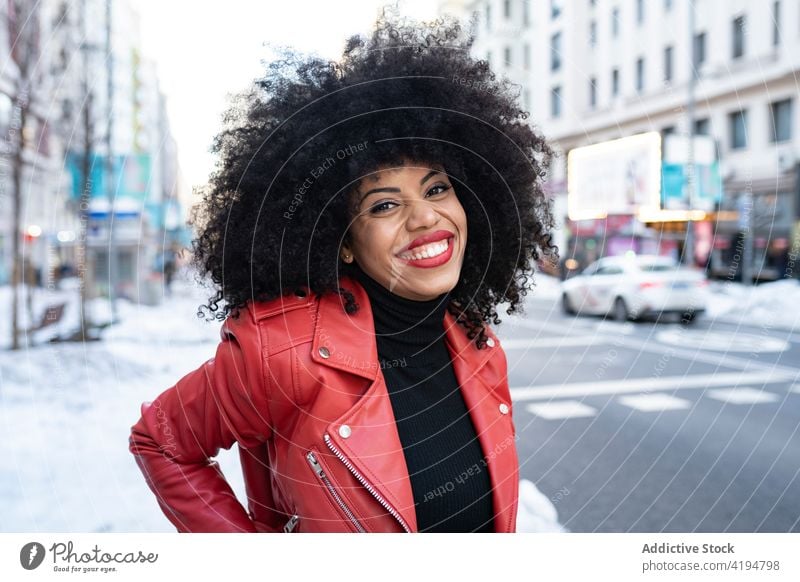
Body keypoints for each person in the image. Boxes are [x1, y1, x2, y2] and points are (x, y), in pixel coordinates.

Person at [128, 9, 556, 533]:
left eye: (437, 188)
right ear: (343, 242)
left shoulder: (477, 346)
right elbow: (161, 441)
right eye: (383, 205)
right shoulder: (281, 352)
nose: (425, 218)